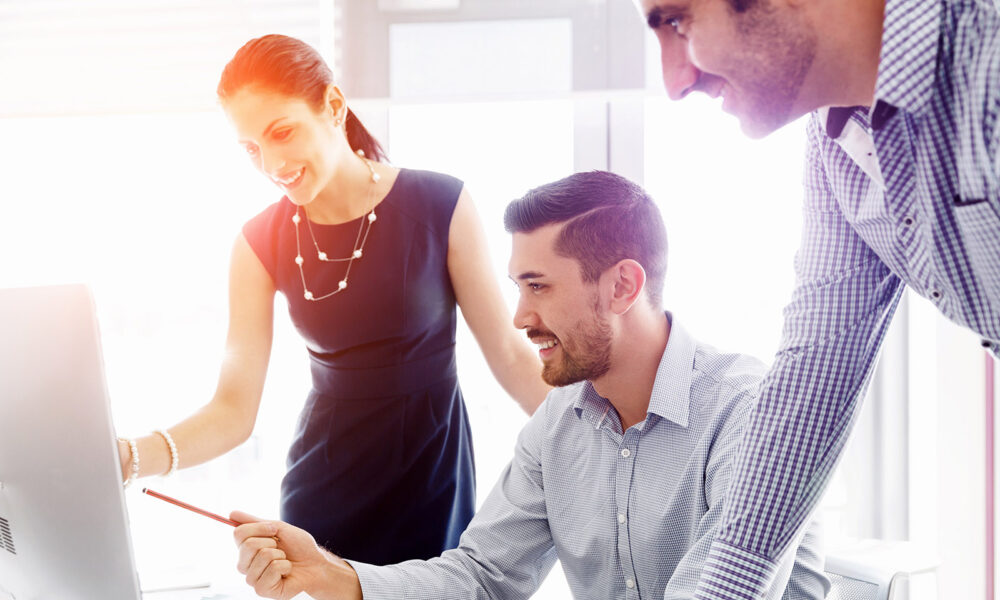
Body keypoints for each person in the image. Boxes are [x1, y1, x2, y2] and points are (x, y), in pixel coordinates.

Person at [228, 171, 831, 600]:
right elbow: (485, 577)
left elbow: (719, 590)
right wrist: (332, 576)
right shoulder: (558, 425)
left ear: (622, 287)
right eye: (517, 287)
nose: (519, 316)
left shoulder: (748, 413)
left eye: (538, 286)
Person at [115, 34, 550, 565]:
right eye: (251, 149)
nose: (271, 164)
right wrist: (129, 457)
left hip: (434, 482)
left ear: (334, 107)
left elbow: (508, 355)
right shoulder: (257, 243)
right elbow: (232, 410)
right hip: (323, 495)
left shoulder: (442, 204)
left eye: (282, 132)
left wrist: (594, 439)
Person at [637, 0, 1000, 597]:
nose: (675, 82)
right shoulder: (837, 146)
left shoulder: (984, 54)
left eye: (678, 21)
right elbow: (817, 370)